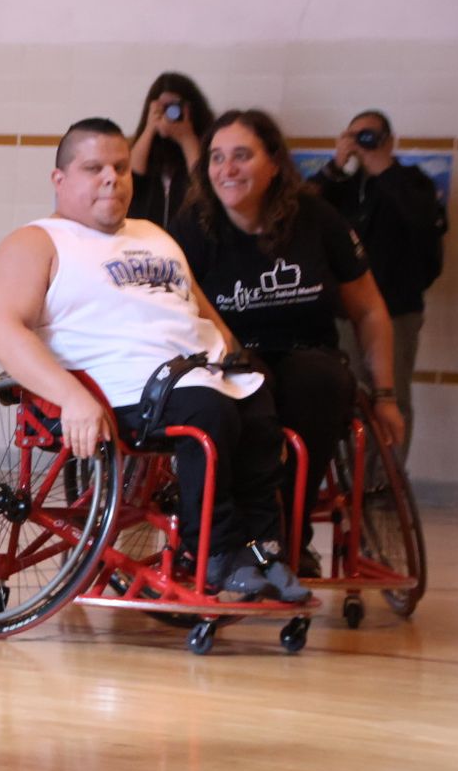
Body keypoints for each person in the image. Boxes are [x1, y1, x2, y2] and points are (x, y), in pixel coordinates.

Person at [0, 117, 306, 601]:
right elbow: (3, 332)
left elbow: (203, 311)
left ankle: (261, 550)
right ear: (60, 179)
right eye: (94, 168)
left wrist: (243, 363)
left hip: (198, 373)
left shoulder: (156, 235)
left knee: (259, 406)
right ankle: (213, 553)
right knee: (208, 410)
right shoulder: (36, 242)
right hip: (119, 388)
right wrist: (72, 399)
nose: (111, 177)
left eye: (120, 166)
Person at [170, 109, 407, 575]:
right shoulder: (193, 228)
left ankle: (288, 538)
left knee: (313, 382)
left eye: (242, 156)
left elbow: (369, 309)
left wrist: (385, 395)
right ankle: (227, 542)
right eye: (217, 158)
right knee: (238, 393)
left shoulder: (316, 218)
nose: (227, 169)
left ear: (274, 163)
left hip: (307, 353)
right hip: (231, 358)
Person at [315, 109, 446, 462]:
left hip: (397, 309)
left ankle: (387, 489)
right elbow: (305, 208)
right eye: (354, 134)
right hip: (347, 311)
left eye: (369, 135)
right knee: (348, 396)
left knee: (392, 397)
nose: (362, 142)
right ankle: (355, 479)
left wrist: (382, 168)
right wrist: (335, 167)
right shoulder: (342, 186)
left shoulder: (410, 181)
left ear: (389, 141)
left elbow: (422, 224)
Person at [128, 72, 215, 229]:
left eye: (175, 106)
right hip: (147, 240)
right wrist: (149, 129)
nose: (170, 113)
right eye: (162, 108)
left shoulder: (209, 146)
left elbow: (205, 185)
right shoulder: (144, 151)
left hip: (190, 240)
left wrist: (186, 138)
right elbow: (131, 180)